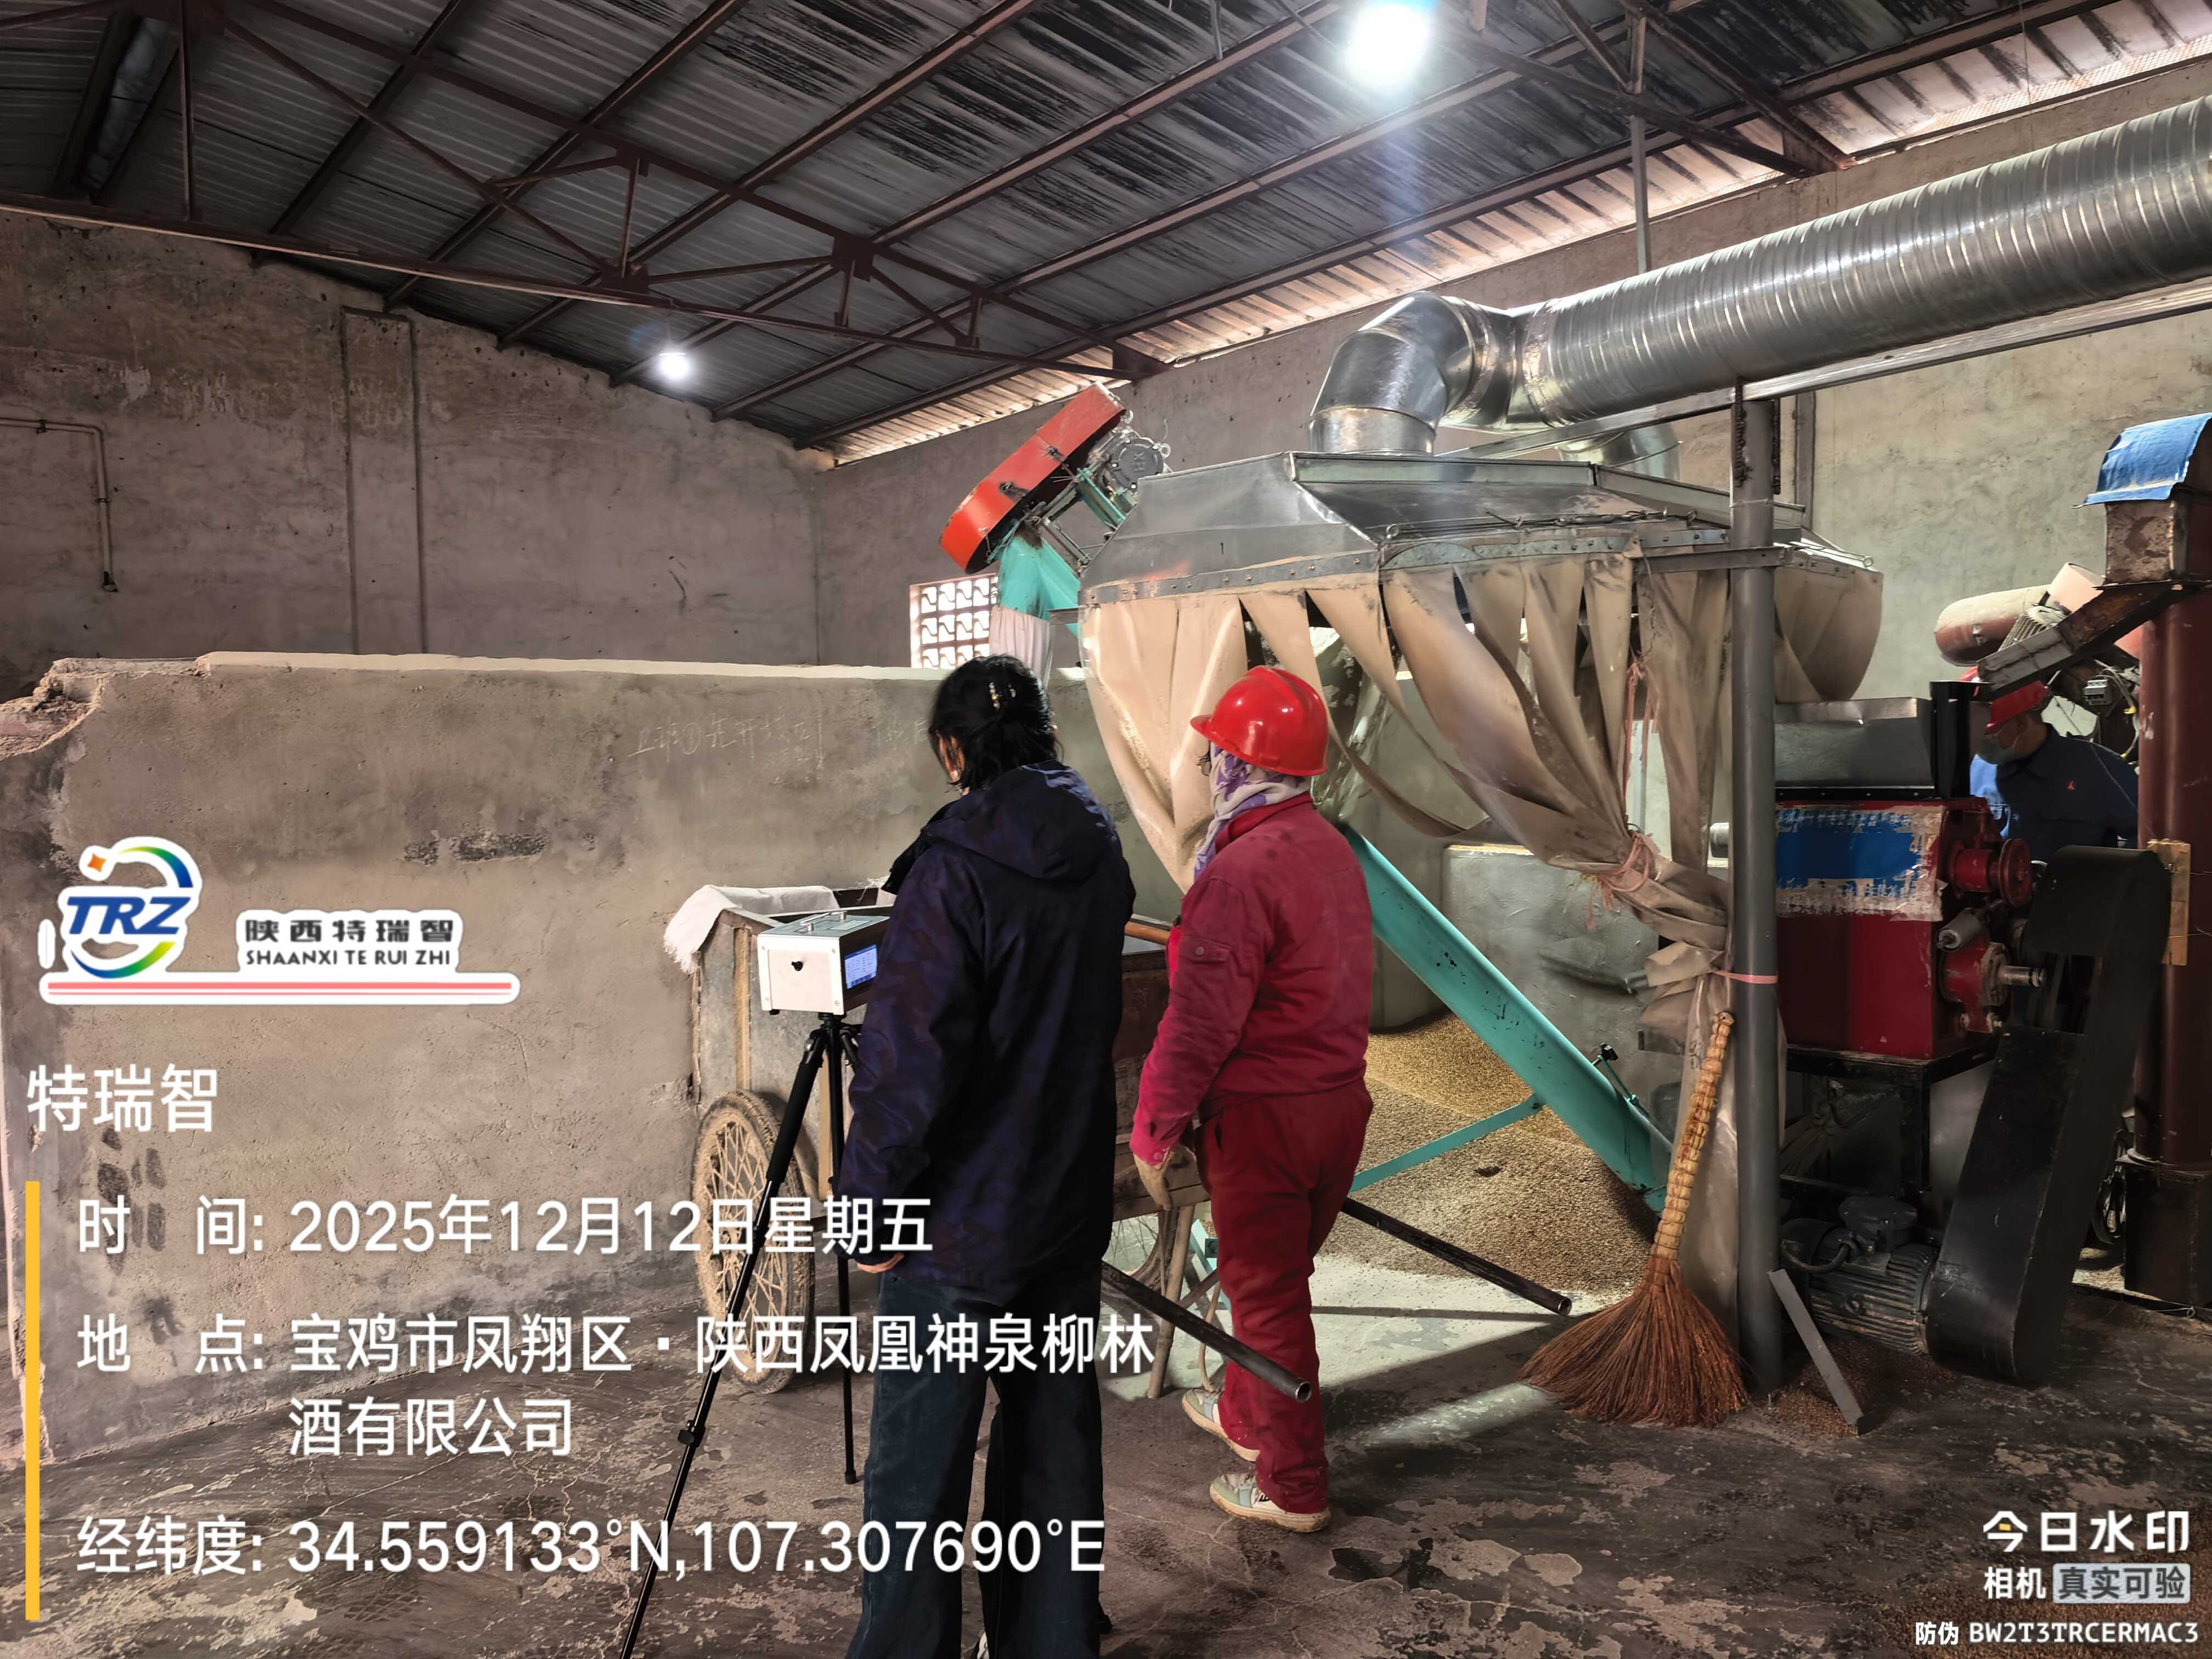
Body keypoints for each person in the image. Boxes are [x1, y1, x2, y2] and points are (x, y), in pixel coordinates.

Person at [836, 655, 1135, 1659]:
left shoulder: (951, 867)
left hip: (958, 1226)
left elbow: (907, 1064)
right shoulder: (1098, 846)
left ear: (952, 750)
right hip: (1063, 1200)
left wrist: (868, 1206)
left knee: (917, 1464)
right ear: (1045, 735)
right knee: (1053, 1439)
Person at [1130, 665, 1373, 1535]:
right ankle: (1244, 1415)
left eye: (1217, 756)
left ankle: (1293, 1485)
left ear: (1239, 765)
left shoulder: (1238, 874)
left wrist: (1153, 1130)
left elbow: (1198, 1026)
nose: (1210, 768)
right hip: (1338, 1108)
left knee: (1268, 1303)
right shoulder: (1326, 848)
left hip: (1265, 1121)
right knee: (1267, 1281)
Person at [1970, 680, 2138, 865]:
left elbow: (2145, 833)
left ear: (2022, 724)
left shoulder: (2098, 767)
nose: (1978, 744)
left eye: (1985, 736)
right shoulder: (1972, 770)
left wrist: (2113, 877)